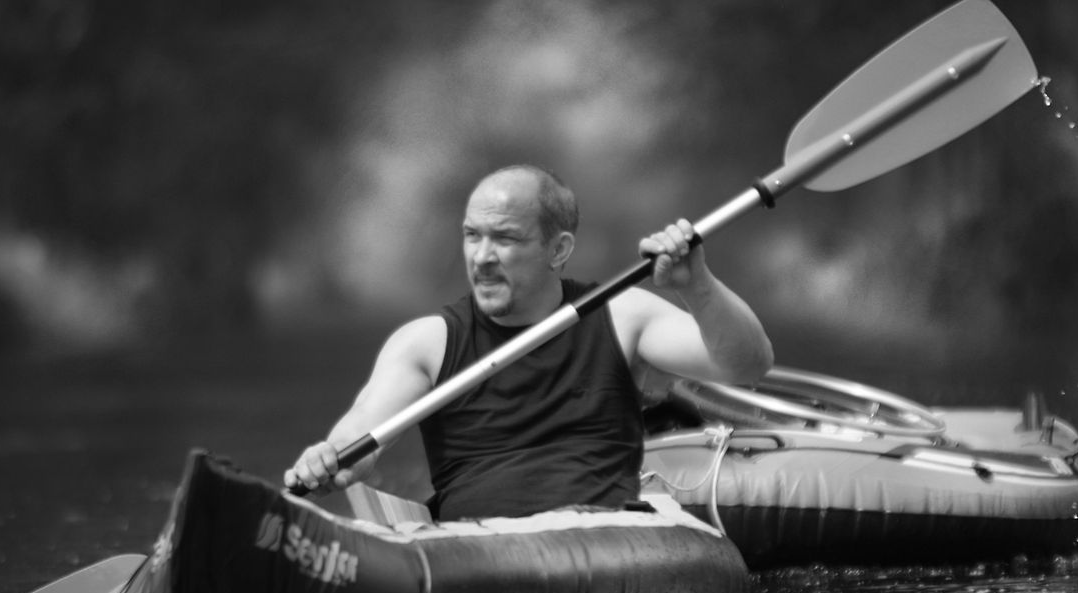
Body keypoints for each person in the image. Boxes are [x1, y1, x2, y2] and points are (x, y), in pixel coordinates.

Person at [284, 164, 772, 520]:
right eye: (472, 236)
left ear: (557, 251)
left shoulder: (621, 315)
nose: (482, 257)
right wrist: (333, 459)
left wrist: (697, 284)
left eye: (506, 239)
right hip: (475, 549)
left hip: (607, 539)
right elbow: (364, 428)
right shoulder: (427, 342)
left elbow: (746, 366)